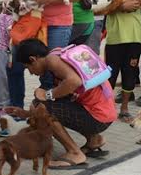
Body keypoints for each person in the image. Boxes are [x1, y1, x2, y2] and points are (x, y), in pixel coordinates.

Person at [9, 39, 117, 168]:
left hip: (98, 117)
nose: (31, 73)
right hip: (105, 114)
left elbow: (74, 81)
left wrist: (48, 94)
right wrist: (27, 113)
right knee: (40, 105)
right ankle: (94, 140)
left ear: (33, 59)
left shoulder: (52, 61)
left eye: (28, 68)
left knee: (44, 109)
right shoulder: (58, 54)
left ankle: (75, 153)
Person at [0, 0, 27, 134]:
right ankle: (0, 109)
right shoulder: (10, 17)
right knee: (1, 81)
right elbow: (12, 37)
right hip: (2, 52)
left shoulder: (4, 14)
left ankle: (0, 108)